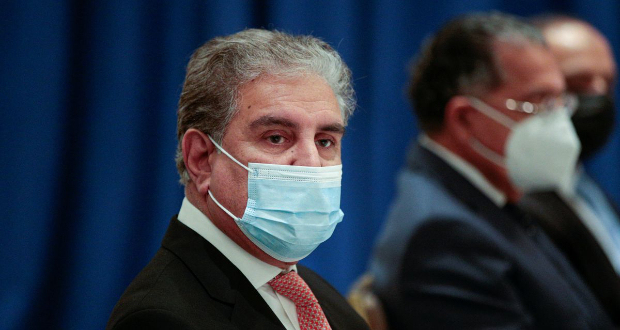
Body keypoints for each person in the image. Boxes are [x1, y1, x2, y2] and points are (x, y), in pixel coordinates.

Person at [106, 29, 369, 330]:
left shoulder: (322, 300)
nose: (310, 163)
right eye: (276, 137)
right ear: (201, 159)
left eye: (325, 141)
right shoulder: (158, 319)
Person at [369, 12, 615, 329]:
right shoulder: (442, 237)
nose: (561, 123)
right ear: (465, 119)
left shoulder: (490, 197)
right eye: (540, 103)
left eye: (560, 102)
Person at [519, 15, 620, 324]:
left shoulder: (586, 190)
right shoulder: (516, 206)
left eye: (608, 84)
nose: (598, 97)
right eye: (579, 84)